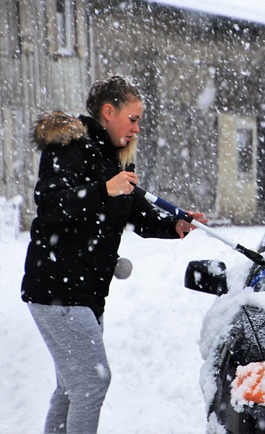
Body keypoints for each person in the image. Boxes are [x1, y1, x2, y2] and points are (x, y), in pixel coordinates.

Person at [21, 75, 206, 433]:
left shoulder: (113, 158)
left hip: (84, 292)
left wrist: (174, 225)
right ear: (109, 112)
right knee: (91, 383)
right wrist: (104, 189)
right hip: (57, 288)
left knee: (71, 387)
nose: (137, 128)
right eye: (132, 119)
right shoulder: (69, 147)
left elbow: (134, 210)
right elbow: (50, 205)